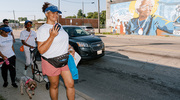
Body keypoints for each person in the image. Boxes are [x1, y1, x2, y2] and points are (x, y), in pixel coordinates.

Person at [37, 2, 75, 100]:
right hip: (50, 62)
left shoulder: (59, 26)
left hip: (63, 59)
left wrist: (70, 47)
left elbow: (63, 40)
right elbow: (41, 50)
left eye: (57, 13)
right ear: (46, 14)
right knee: (54, 85)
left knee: (70, 84)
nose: (55, 15)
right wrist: (52, 36)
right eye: (53, 13)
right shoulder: (42, 29)